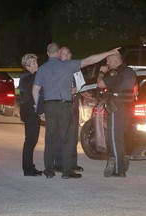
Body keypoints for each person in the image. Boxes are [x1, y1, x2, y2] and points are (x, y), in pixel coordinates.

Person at [32, 42, 120, 179]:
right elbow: (89, 60)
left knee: (50, 139)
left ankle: (48, 170)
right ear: (58, 53)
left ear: (48, 53)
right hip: (64, 106)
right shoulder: (67, 65)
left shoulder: (42, 69)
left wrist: (40, 111)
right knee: (68, 138)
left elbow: (35, 91)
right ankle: (67, 171)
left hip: (49, 106)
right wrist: (107, 53)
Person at [97, 52, 137, 177]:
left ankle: (119, 169)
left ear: (115, 60)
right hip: (128, 108)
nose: (108, 64)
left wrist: (101, 72)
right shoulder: (131, 71)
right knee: (121, 137)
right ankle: (123, 162)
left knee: (114, 138)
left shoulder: (117, 73)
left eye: (109, 61)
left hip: (116, 109)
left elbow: (100, 84)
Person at [53, 46, 84, 172]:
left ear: (71, 55)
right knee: (61, 135)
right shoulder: (55, 69)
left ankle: (72, 162)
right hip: (61, 104)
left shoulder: (76, 70)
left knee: (73, 135)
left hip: (73, 104)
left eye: (67, 54)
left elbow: (80, 85)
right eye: (62, 54)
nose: (65, 56)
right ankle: (59, 163)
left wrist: (81, 92)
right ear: (59, 56)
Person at [19, 53, 43, 176]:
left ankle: (30, 166)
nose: (36, 65)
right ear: (27, 65)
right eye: (33, 63)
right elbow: (32, 96)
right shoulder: (29, 78)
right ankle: (27, 168)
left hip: (27, 111)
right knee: (31, 140)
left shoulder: (26, 77)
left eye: (36, 62)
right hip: (31, 111)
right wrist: (39, 111)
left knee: (31, 140)